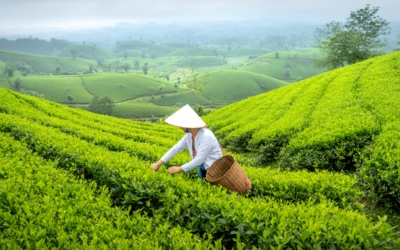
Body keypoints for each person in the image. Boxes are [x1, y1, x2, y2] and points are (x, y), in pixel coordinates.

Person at [151, 104, 222, 178]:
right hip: (204, 169)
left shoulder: (206, 136)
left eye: (182, 124)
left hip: (216, 171)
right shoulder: (189, 135)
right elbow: (176, 148)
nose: (180, 127)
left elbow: (199, 159)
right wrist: (158, 164)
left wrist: (179, 169)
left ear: (189, 124)